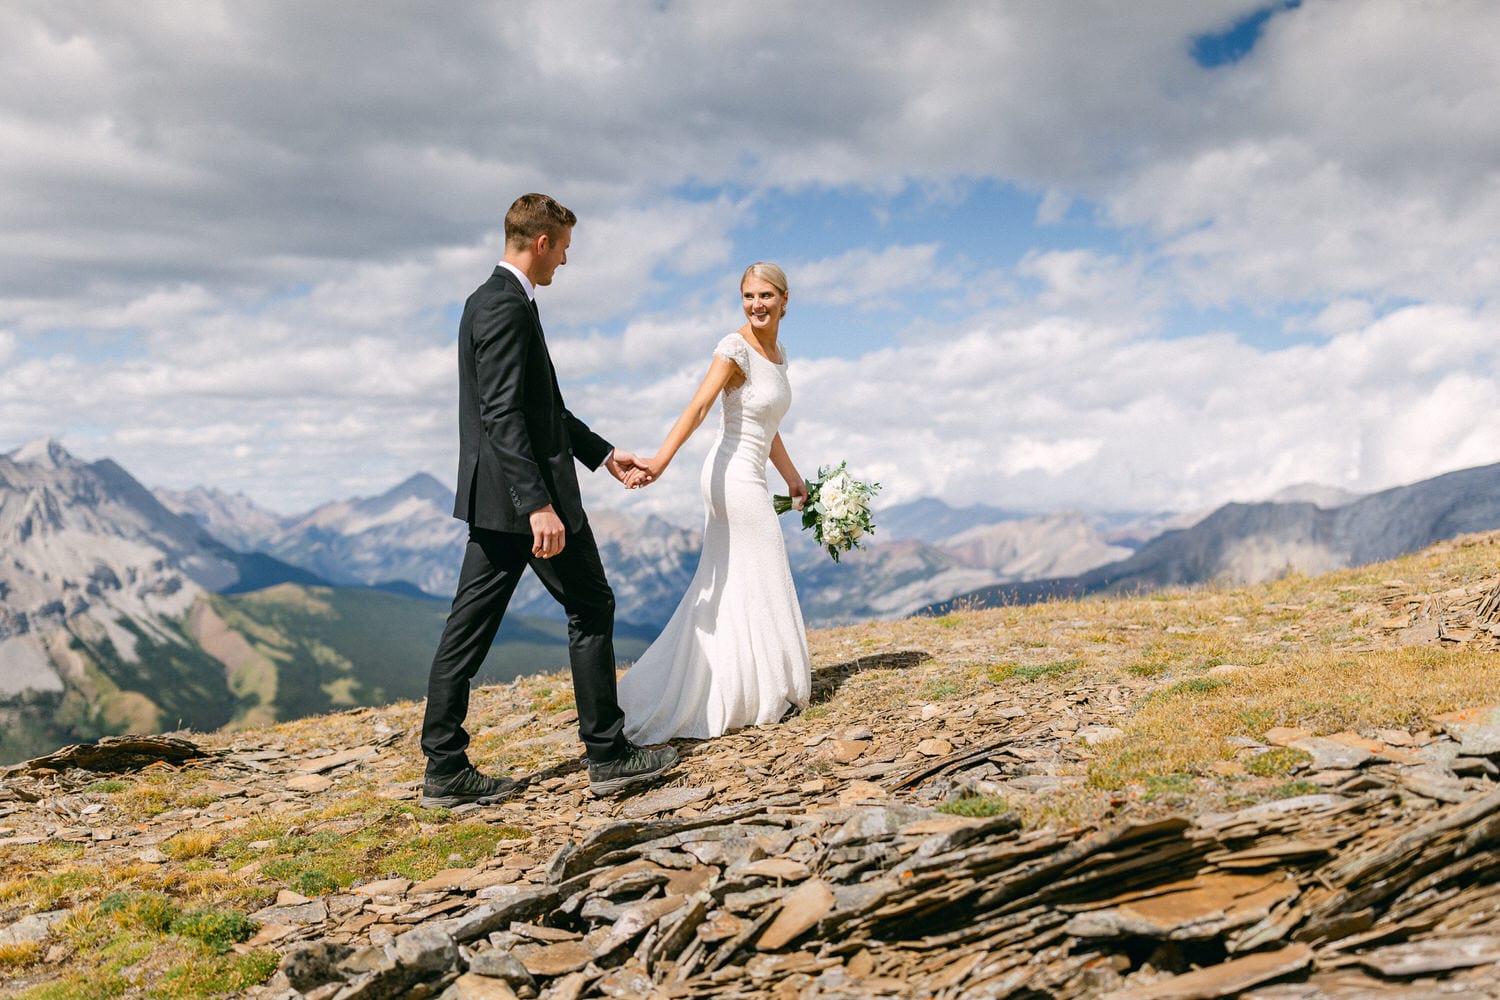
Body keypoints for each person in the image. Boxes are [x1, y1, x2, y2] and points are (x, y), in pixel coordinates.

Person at [419, 193, 679, 806]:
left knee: (468, 629)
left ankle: (444, 767)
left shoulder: (489, 300)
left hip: (497, 498)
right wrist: (538, 503)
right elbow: (503, 414)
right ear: (541, 243)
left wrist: (604, 454)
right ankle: (609, 754)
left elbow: (543, 411)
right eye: (563, 248)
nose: (565, 260)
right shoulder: (507, 307)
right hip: (527, 501)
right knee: (591, 604)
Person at [616, 262, 812, 743]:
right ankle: (765, 688)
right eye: (748, 296)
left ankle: (741, 682)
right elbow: (699, 407)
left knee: (737, 578)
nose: (757, 305)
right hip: (730, 477)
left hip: (755, 473)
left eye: (766, 296)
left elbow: (766, 424)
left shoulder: (778, 353)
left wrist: (791, 476)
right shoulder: (734, 349)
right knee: (767, 563)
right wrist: (660, 461)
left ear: (785, 299)